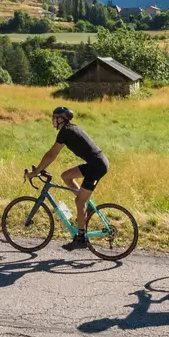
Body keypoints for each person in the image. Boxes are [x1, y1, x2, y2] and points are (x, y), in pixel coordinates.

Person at [28, 105, 109, 251]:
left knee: (79, 201)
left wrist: (37, 171)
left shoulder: (66, 132)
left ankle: (81, 239)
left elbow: (52, 154)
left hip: (97, 166)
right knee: (66, 176)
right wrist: (41, 168)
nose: (52, 121)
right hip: (94, 163)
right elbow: (51, 155)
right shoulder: (70, 129)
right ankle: (87, 206)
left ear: (61, 119)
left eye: (54, 118)